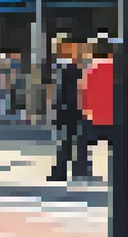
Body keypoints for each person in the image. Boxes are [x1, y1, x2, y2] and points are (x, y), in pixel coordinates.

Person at [48, 38, 91, 182]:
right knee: (74, 141)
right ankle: (79, 170)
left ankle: (65, 171)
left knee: (68, 142)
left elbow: (60, 93)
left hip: (69, 109)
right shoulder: (72, 68)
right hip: (73, 109)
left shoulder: (67, 69)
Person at [78, 39, 116, 181]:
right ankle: (117, 171)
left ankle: (83, 169)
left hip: (94, 115)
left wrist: (84, 109)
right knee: (118, 146)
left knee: (83, 143)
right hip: (114, 115)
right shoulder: (117, 68)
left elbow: (83, 91)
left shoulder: (90, 68)